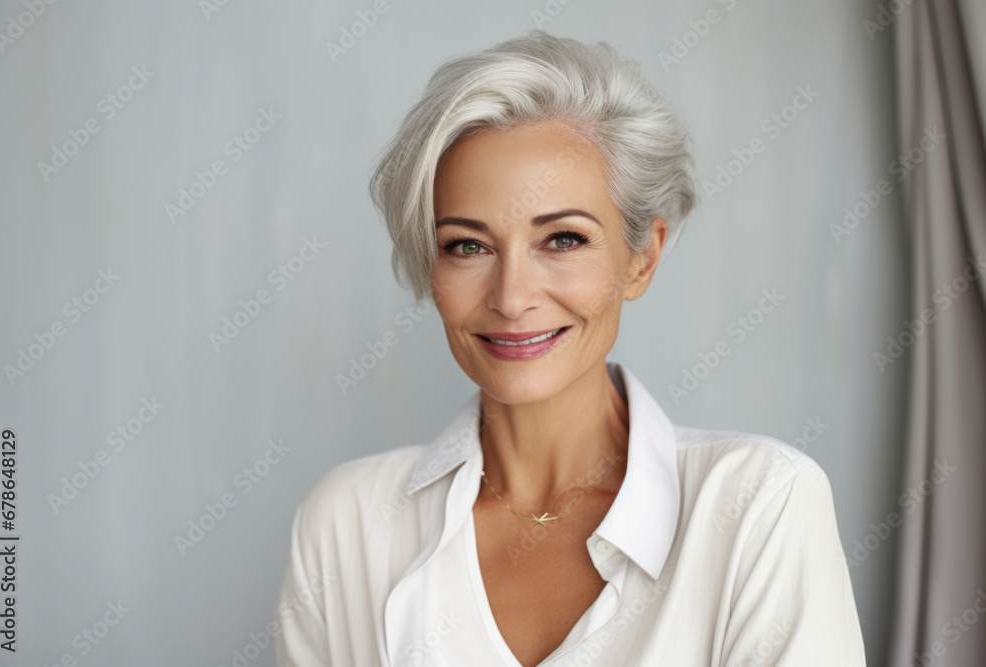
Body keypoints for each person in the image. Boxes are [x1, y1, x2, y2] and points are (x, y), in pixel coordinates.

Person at [274, 30, 866, 666]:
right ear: (431, 268)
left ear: (642, 258)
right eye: (467, 246)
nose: (511, 295)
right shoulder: (346, 522)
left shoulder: (758, 505)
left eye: (562, 239)